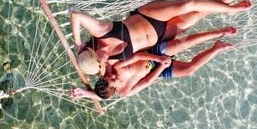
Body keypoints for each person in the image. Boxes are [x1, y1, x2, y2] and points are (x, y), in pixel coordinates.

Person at [71, 0, 254, 75]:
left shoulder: (100, 32)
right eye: (102, 65)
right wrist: (87, 94)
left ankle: (231, 9)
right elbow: (111, 86)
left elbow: (76, 16)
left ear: (92, 52)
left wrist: (78, 43)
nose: (104, 62)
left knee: (189, 5)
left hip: (149, 16)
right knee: (200, 13)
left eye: (99, 61)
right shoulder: (111, 63)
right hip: (161, 35)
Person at [69, 28, 236, 100]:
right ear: (116, 89)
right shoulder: (126, 91)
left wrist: (84, 93)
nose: (110, 75)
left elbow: (137, 56)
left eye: (107, 76)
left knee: (181, 45)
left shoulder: (115, 70)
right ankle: (217, 48)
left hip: (153, 54)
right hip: (157, 70)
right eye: (112, 79)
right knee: (189, 70)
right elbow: (147, 81)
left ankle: (218, 32)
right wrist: (162, 67)